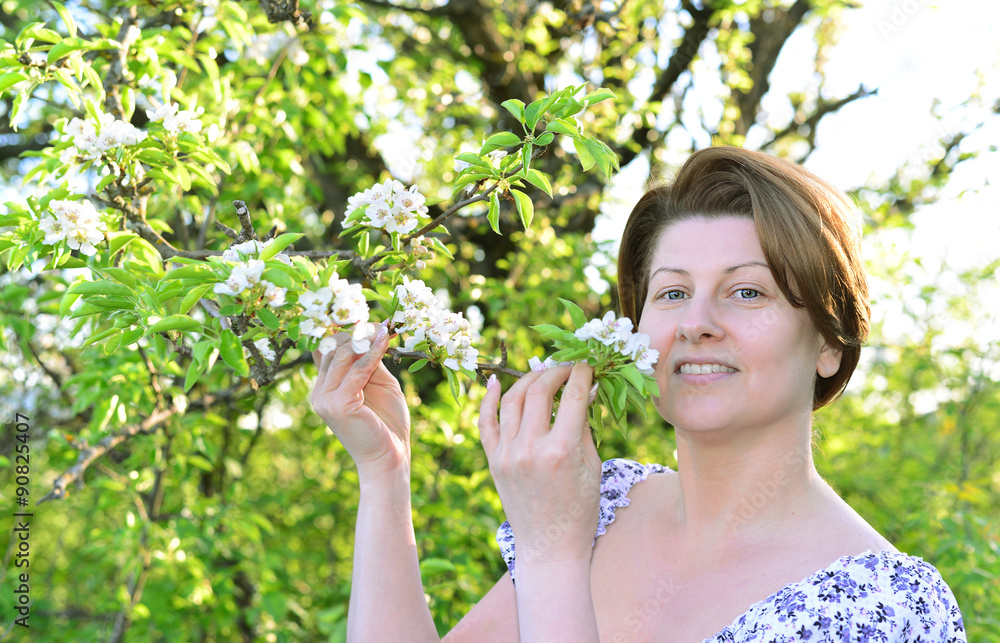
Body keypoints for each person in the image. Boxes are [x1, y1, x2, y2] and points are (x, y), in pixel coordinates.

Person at [310, 146, 967, 642]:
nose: (697, 322)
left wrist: (551, 555)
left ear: (829, 341)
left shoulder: (887, 606)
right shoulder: (605, 504)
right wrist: (384, 470)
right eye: (673, 292)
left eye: (747, 291)